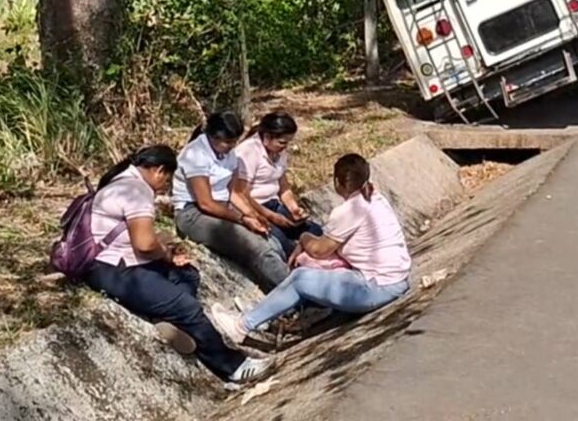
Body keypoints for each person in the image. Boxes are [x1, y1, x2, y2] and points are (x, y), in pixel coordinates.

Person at [84, 145, 269, 384]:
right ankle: (233, 366)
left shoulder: (120, 181)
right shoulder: (137, 191)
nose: (165, 186)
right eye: (167, 180)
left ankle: (168, 317)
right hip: (115, 270)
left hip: (118, 261)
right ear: (159, 170)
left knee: (187, 274)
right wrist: (167, 255)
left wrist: (167, 252)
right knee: (187, 307)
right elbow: (145, 244)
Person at [211, 153, 411, 344]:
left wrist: (303, 238)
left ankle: (242, 326)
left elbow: (318, 250)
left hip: (376, 287)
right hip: (395, 280)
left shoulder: (349, 210)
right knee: (312, 273)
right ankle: (267, 314)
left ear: (337, 182)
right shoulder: (375, 197)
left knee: (300, 279)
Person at [173, 112, 291, 292]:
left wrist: (253, 215)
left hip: (223, 207)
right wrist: (242, 219)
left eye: (234, 142)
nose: (232, 147)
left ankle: (282, 287)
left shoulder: (229, 154)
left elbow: (232, 192)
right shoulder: (195, 155)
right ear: (213, 137)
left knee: (273, 243)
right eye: (227, 142)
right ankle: (295, 290)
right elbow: (205, 203)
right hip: (194, 213)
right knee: (257, 247)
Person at [232, 112, 323, 257]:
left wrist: (293, 208)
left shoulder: (279, 152)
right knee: (284, 245)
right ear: (267, 137)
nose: (285, 147)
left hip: (274, 204)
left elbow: (283, 184)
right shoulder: (248, 152)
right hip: (255, 208)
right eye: (281, 142)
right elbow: (242, 194)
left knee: (315, 232)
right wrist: (271, 216)